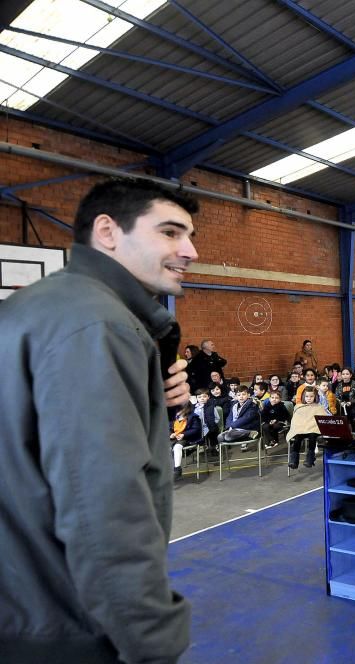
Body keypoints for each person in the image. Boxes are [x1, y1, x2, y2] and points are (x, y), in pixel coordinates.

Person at [0, 179, 196, 662]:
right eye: (171, 233)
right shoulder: (100, 323)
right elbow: (103, 505)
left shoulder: (38, 307)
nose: (190, 250)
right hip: (68, 622)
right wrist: (153, 639)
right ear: (107, 231)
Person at [286, 386, 326, 469]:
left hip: (313, 429)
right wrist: (300, 426)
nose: (309, 398)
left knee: (312, 436)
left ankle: (310, 458)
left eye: (311, 396)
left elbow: (322, 419)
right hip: (301, 429)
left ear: (315, 397)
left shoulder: (319, 407)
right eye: (307, 396)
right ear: (303, 397)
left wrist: (312, 425)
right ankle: (294, 459)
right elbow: (296, 420)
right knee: (297, 438)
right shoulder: (298, 407)